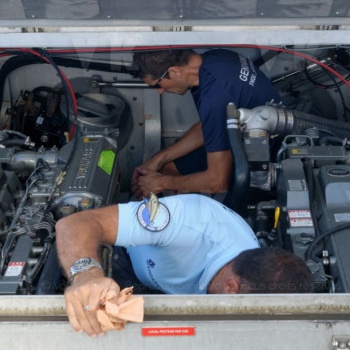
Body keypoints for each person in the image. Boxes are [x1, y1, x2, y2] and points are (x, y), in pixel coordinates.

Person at [56, 194, 313, 336]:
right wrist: (87, 275)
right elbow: (74, 225)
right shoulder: (185, 222)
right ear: (232, 288)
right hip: (128, 265)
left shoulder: (256, 274)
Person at [131, 48, 281, 198]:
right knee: (164, 168)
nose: (160, 91)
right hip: (255, 135)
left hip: (267, 159)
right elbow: (210, 125)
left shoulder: (214, 96)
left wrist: (161, 183)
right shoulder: (217, 58)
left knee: (165, 183)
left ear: (175, 71)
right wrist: (157, 160)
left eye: (158, 85)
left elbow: (217, 181)